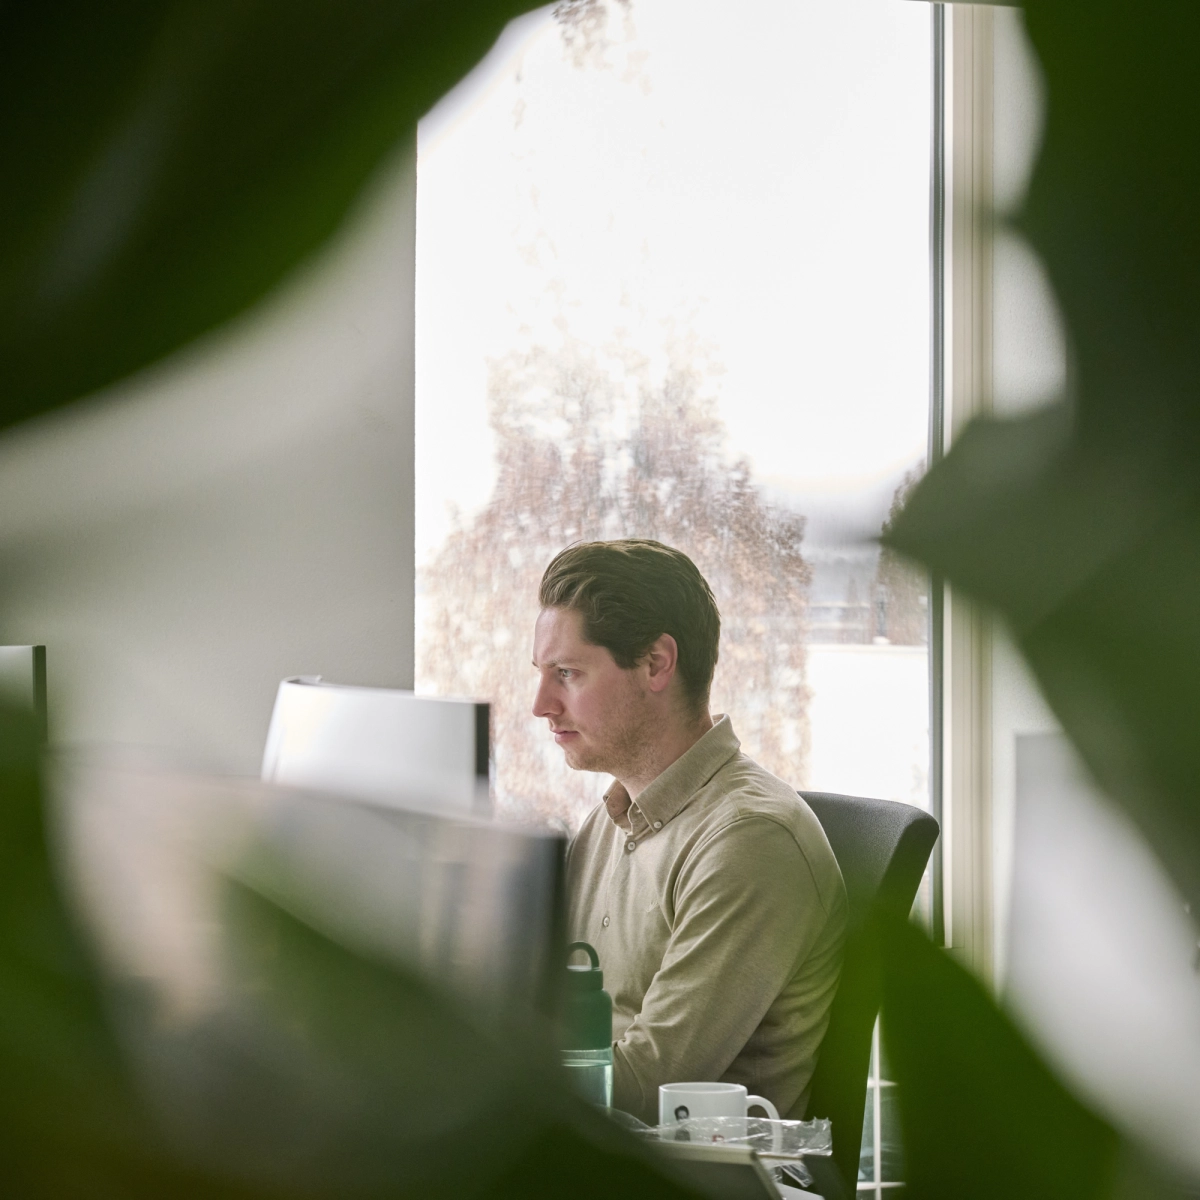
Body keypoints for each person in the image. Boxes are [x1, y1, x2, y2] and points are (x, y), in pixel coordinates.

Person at [532, 538, 847, 1125]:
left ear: (656, 663)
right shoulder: (607, 821)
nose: (541, 704)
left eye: (567, 673)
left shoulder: (749, 840)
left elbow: (645, 1088)